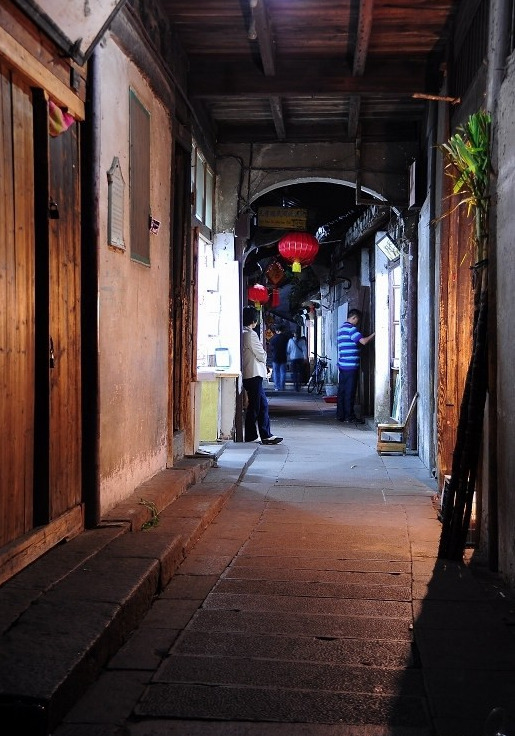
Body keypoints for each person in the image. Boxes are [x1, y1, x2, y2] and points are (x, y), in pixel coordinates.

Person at [242, 306, 283, 445]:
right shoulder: (251, 334)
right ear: (253, 320)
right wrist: (265, 357)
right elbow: (260, 354)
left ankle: (262, 434)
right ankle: (257, 435)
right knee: (256, 406)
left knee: (260, 405)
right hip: (254, 373)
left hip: (249, 372)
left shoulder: (243, 333)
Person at [336, 308, 375, 422]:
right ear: (354, 318)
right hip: (351, 366)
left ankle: (340, 415)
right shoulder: (351, 329)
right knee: (350, 391)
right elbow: (363, 341)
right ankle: (349, 416)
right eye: (358, 320)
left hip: (342, 365)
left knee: (342, 391)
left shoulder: (340, 329)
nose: (358, 322)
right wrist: (374, 334)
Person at [269, 324, 290, 391]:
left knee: (276, 372)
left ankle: (277, 386)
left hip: (275, 357)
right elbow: (288, 348)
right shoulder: (286, 338)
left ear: (277, 330)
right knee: (283, 372)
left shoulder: (273, 338)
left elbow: (271, 348)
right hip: (283, 357)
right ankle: (282, 386)